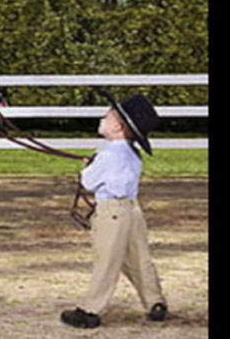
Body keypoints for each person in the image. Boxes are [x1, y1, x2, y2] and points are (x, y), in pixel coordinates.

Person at [61, 91, 168, 329]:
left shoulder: (108, 154)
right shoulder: (131, 153)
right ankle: (155, 302)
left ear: (119, 127)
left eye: (109, 116)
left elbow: (88, 182)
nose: (104, 118)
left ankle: (91, 310)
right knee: (139, 258)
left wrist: (90, 167)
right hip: (132, 210)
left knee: (106, 261)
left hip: (111, 212)